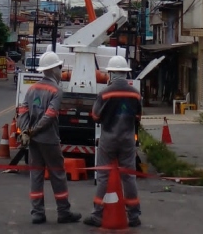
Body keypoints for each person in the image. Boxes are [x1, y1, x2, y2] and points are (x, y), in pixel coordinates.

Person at [17, 51, 82, 225]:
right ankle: (63, 212)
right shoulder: (56, 90)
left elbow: (22, 111)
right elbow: (50, 115)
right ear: (54, 70)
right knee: (58, 175)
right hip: (49, 139)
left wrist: (26, 131)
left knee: (36, 175)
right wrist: (33, 131)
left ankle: (37, 213)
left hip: (33, 141)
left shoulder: (32, 89)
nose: (61, 71)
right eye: (59, 67)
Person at [84, 55, 142, 228]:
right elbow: (138, 117)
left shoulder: (105, 93)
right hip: (127, 140)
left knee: (103, 176)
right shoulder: (135, 94)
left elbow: (95, 116)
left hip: (108, 139)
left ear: (111, 73)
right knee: (129, 177)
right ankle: (133, 216)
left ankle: (97, 215)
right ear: (125, 73)